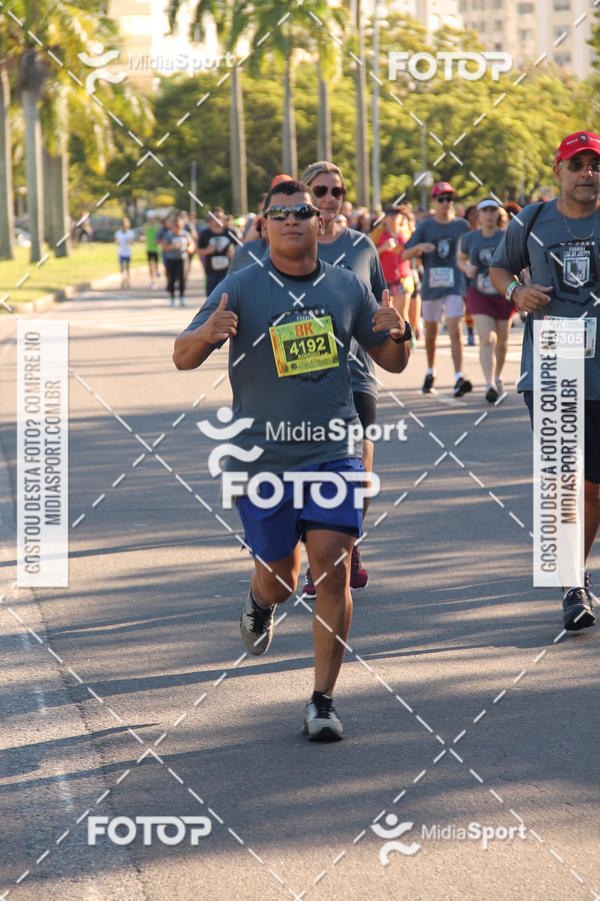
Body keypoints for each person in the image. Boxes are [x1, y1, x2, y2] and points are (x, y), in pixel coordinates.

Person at [173, 179, 410, 741]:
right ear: (264, 227)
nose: (292, 220)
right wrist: (207, 333)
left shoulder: (346, 286)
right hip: (262, 460)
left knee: (332, 565)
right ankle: (260, 600)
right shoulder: (241, 286)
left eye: (302, 210)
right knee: (283, 578)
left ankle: (322, 701)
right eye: (278, 214)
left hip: (333, 449)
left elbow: (391, 361)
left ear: (317, 221)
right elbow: (182, 356)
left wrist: (400, 335)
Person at [490, 130, 600, 631]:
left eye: (594, 165)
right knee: (564, 482)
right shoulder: (531, 221)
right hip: (553, 364)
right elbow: (498, 269)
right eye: (577, 165)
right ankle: (572, 585)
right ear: (558, 170)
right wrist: (517, 292)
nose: (587, 174)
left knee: (595, 489)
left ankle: (575, 571)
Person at [300, 160, 393, 595]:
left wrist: (394, 327)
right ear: (305, 195)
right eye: (319, 191)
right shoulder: (290, 243)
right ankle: (320, 553)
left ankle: (349, 542)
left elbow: (377, 307)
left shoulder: (361, 247)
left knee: (362, 467)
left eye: (336, 191)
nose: (328, 200)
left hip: (356, 373)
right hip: (302, 377)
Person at [402, 182, 472, 396]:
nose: (445, 203)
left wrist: (469, 266)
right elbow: (404, 254)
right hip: (432, 287)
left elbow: (471, 249)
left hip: (454, 284)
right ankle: (430, 372)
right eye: (441, 199)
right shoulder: (425, 226)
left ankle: (459, 376)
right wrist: (419, 248)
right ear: (434, 201)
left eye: (449, 198)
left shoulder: (462, 226)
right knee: (431, 334)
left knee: (454, 330)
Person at [457, 198, 516, 403]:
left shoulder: (506, 235)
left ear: (498, 214)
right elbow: (460, 258)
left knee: (502, 342)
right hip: (479, 292)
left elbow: (518, 259)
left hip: (503, 293)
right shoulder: (471, 237)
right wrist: (466, 268)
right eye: (485, 211)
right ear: (478, 215)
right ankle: (489, 383)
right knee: (486, 338)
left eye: (492, 210)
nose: (489, 215)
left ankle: (499, 374)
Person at [376, 205, 415, 344]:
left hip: (403, 278)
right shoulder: (378, 233)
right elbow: (370, 253)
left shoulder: (407, 232)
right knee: (390, 313)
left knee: (402, 312)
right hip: (385, 279)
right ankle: (393, 340)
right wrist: (383, 247)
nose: (393, 217)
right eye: (390, 214)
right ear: (385, 218)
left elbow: (414, 251)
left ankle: (408, 339)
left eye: (397, 214)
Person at [197, 207, 236, 296]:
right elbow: (198, 251)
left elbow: (240, 249)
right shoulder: (205, 234)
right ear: (210, 220)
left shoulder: (231, 233)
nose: (217, 219)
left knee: (226, 295)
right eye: (215, 217)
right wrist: (207, 250)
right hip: (211, 271)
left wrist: (233, 254)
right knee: (212, 296)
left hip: (228, 271)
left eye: (220, 217)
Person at [161, 215, 195, 307]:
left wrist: (189, 249)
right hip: (171, 259)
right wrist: (172, 246)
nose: (177, 228)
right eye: (176, 226)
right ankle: (172, 297)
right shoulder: (168, 235)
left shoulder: (185, 234)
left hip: (182, 259)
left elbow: (191, 245)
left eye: (179, 226)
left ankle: (181, 298)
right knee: (171, 278)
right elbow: (164, 247)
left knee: (182, 279)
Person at [115, 217, 135, 289]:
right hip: (121, 252)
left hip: (128, 253)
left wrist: (129, 241)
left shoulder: (130, 233)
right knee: (122, 268)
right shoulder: (118, 233)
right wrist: (117, 242)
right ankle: (122, 280)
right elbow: (116, 241)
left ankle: (128, 281)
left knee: (127, 268)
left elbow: (133, 243)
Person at [145, 210, 160, 289]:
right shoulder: (145, 226)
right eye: (149, 218)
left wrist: (157, 241)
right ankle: (152, 281)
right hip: (149, 248)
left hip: (156, 249)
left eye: (152, 218)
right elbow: (143, 235)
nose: (150, 219)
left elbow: (160, 235)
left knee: (156, 266)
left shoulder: (157, 226)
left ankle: (157, 275)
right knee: (150, 266)